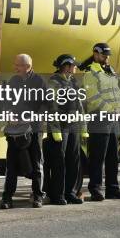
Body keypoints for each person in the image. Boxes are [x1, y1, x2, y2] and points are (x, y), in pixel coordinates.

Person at [81, 43, 120, 201]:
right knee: (97, 157)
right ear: (95, 54)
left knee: (112, 157)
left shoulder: (110, 70)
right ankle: (95, 189)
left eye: (108, 55)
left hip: (113, 119)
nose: (107, 58)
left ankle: (112, 189)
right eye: (103, 55)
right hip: (99, 118)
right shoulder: (91, 71)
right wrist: (111, 110)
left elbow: (118, 92)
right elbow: (92, 97)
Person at [1, 54, 49, 209]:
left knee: (36, 164)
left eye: (18, 65)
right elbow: (6, 101)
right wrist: (8, 113)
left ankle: (38, 196)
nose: (15, 68)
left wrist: (31, 118)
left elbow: (47, 104)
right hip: (15, 131)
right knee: (11, 166)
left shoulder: (39, 81)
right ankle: (7, 198)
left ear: (27, 66)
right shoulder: (13, 81)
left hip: (34, 130)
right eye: (15, 64)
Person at [43, 55, 88, 205]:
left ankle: (70, 192)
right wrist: (55, 129)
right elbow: (51, 107)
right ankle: (57, 194)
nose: (75, 67)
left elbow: (79, 106)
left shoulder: (73, 82)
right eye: (73, 65)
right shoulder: (54, 82)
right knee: (59, 162)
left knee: (73, 160)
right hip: (60, 128)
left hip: (73, 125)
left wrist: (83, 127)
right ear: (66, 66)